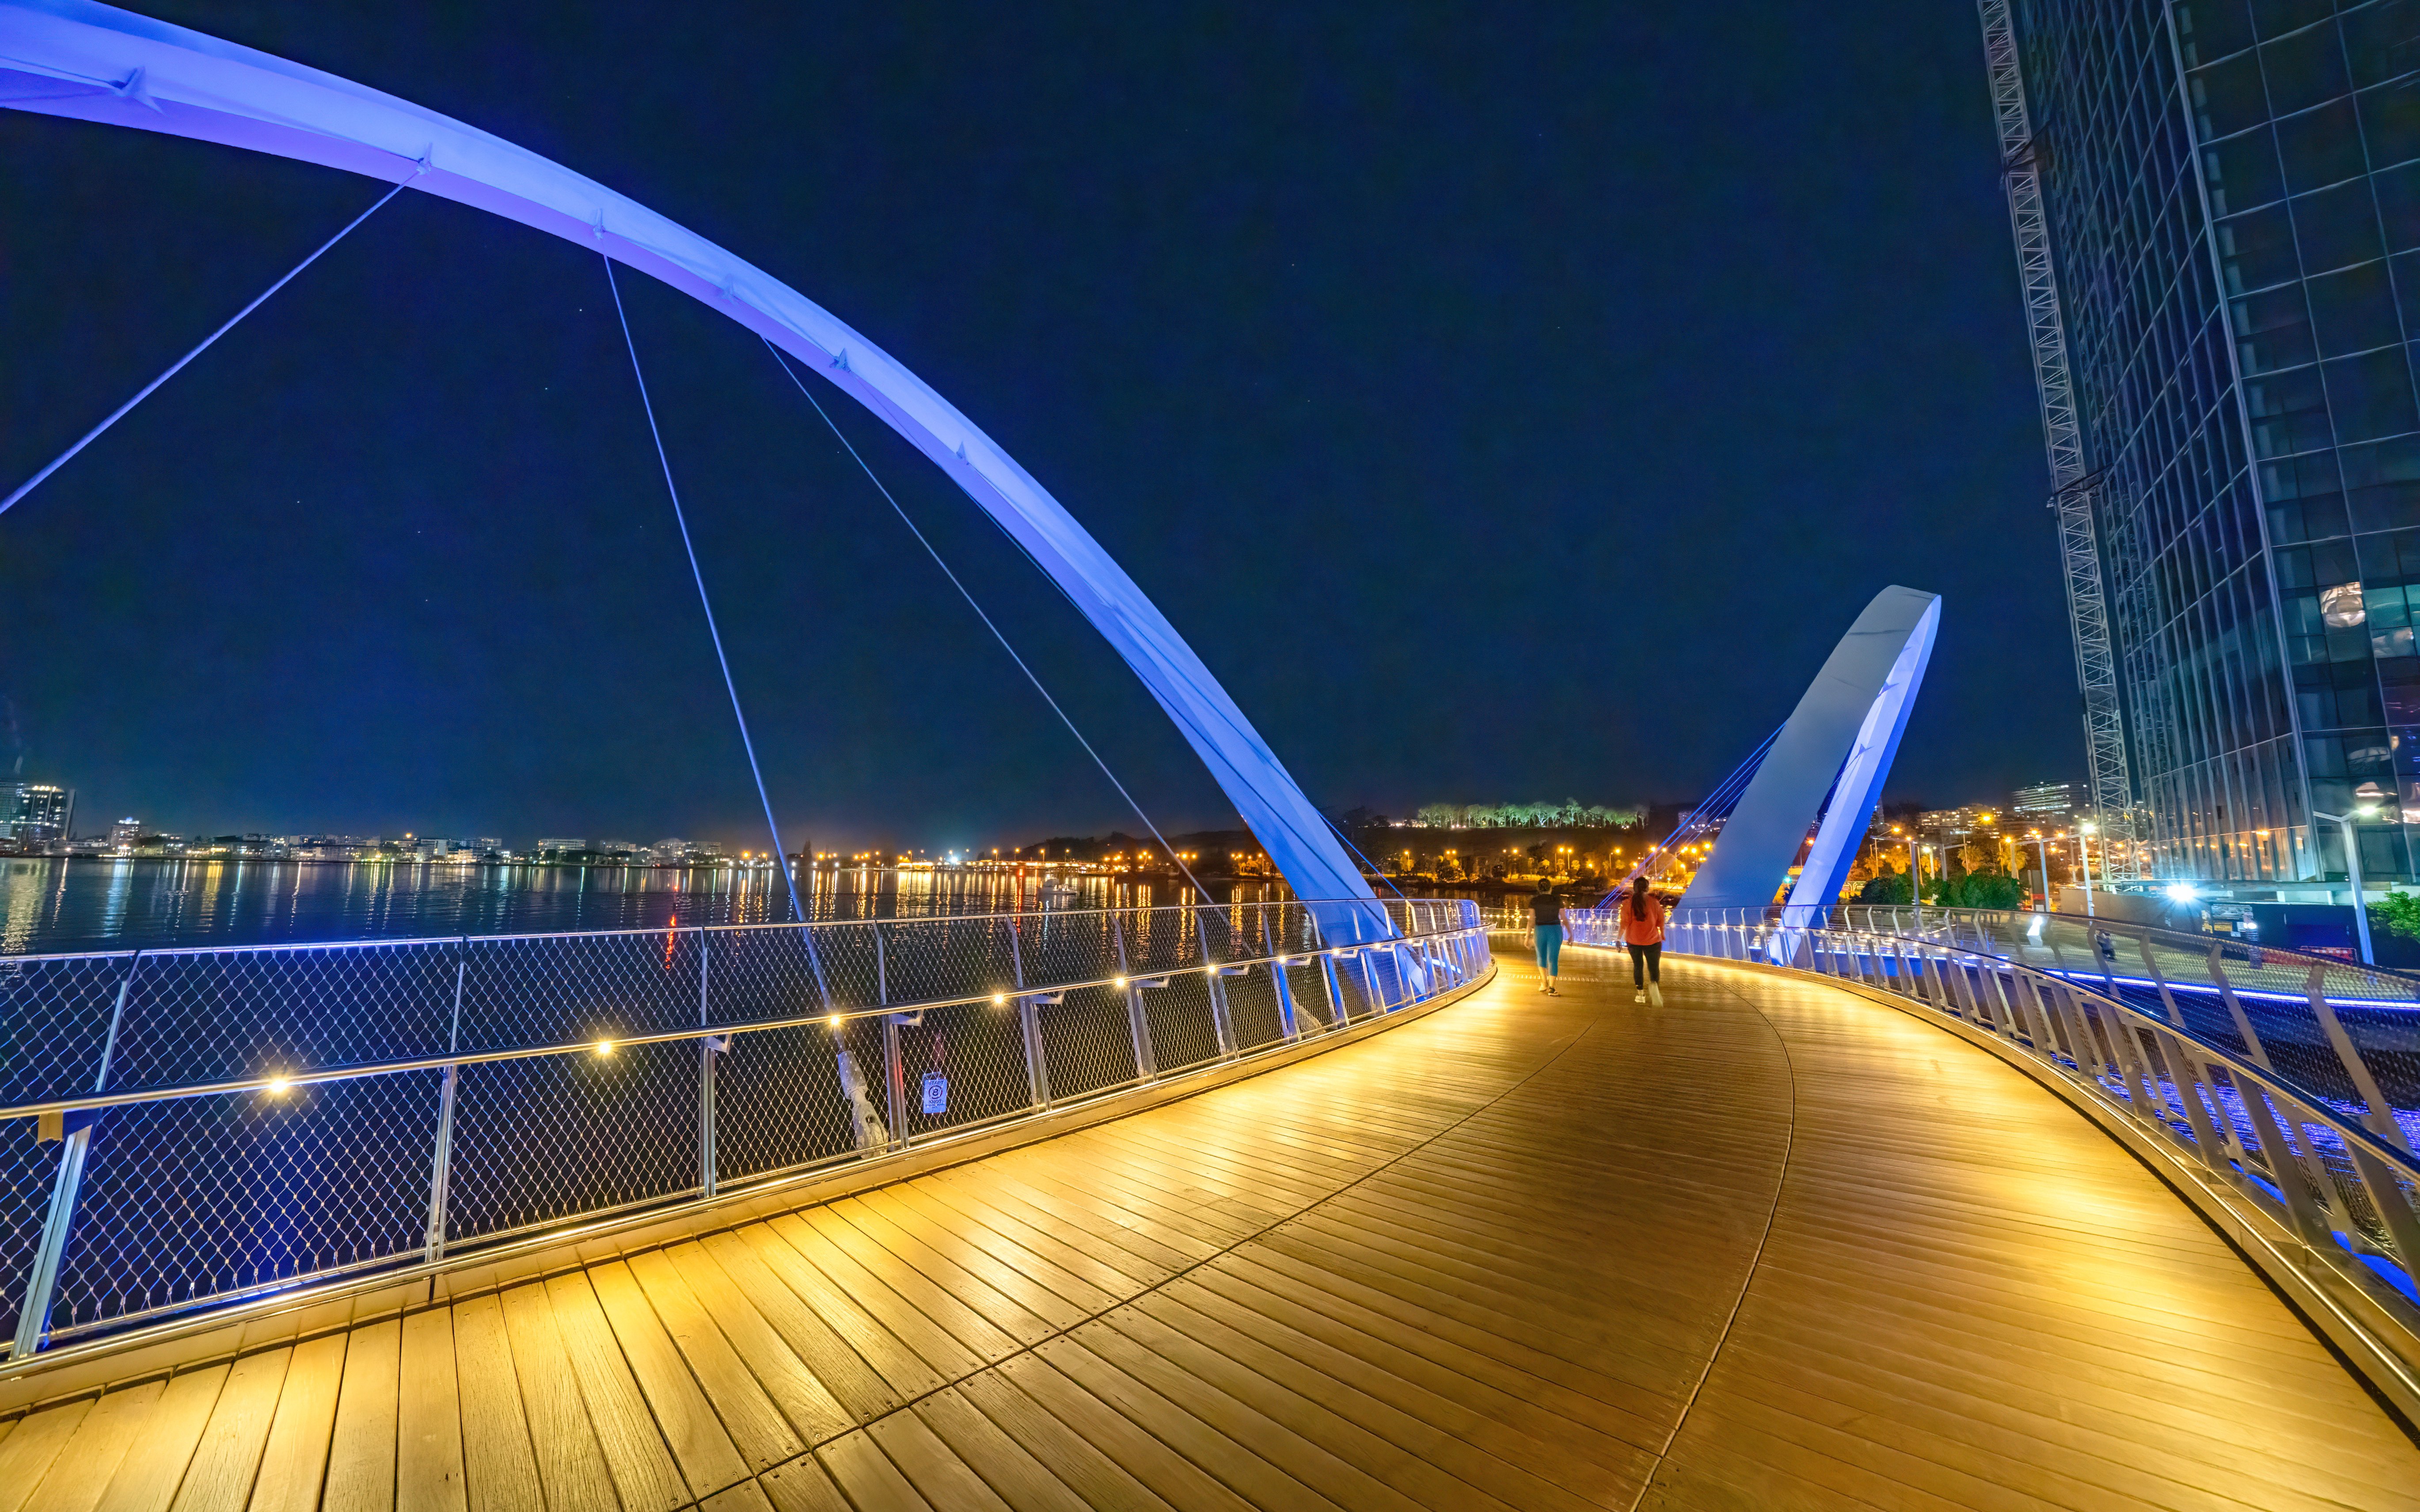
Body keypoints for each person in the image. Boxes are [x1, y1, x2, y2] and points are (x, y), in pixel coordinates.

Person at [1624, 877, 1666, 1005]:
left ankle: (1640, 995)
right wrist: (1662, 935)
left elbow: (1624, 923)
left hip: (1633, 940)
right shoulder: (1654, 902)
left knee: (1638, 966)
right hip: (1652, 940)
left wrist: (1618, 938)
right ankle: (1654, 986)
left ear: (1634, 888)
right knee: (1654, 968)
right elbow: (1661, 921)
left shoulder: (1628, 903)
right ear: (1647, 888)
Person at [1530, 878, 1563, 993]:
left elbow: (1531, 921)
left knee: (1541, 957)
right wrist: (1570, 933)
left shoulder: (1534, 901)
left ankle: (1544, 983)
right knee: (1553, 959)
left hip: (1540, 930)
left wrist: (1527, 936)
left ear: (1538, 889)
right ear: (1551, 888)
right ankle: (1552, 988)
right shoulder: (1557, 900)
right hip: (1555, 930)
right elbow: (1564, 918)